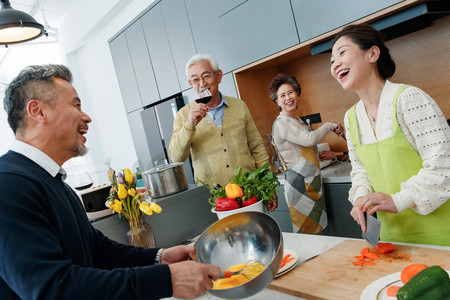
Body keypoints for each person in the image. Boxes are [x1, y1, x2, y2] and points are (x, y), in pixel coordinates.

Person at [0, 64, 221, 299]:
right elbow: (53, 288)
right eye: (76, 105)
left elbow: (97, 251)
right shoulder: (8, 185)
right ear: (38, 111)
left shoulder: (56, 183)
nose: (87, 117)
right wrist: (166, 280)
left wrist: (159, 258)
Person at [330, 24, 450, 246]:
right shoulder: (351, 117)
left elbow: (444, 165)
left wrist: (399, 200)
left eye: (342, 52)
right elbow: (360, 171)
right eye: (331, 60)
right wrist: (359, 199)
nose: (335, 63)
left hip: (440, 235)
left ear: (372, 54)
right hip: (391, 239)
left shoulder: (409, 99)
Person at [169, 53, 277, 211]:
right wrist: (190, 124)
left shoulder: (240, 106)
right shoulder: (183, 116)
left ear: (218, 76)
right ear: (190, 83)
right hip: (215, 200)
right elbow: (177, 157)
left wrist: (269, 187)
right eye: (195, 79)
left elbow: (257, 148)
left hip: (249, 193)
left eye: (206, 76)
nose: (202, 84)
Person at [268, 73, 344, 233]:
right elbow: (309, 140)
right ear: (277, 101)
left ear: (297, 94)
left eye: (290, 92)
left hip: (310, 182)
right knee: (309, 235)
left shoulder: (296, 120)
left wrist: (321, 156)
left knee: (319, 233)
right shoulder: (282, 123)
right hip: (299, 186)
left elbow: (302, 151)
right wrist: (329, 126)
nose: (288, 97)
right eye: (282, 95)